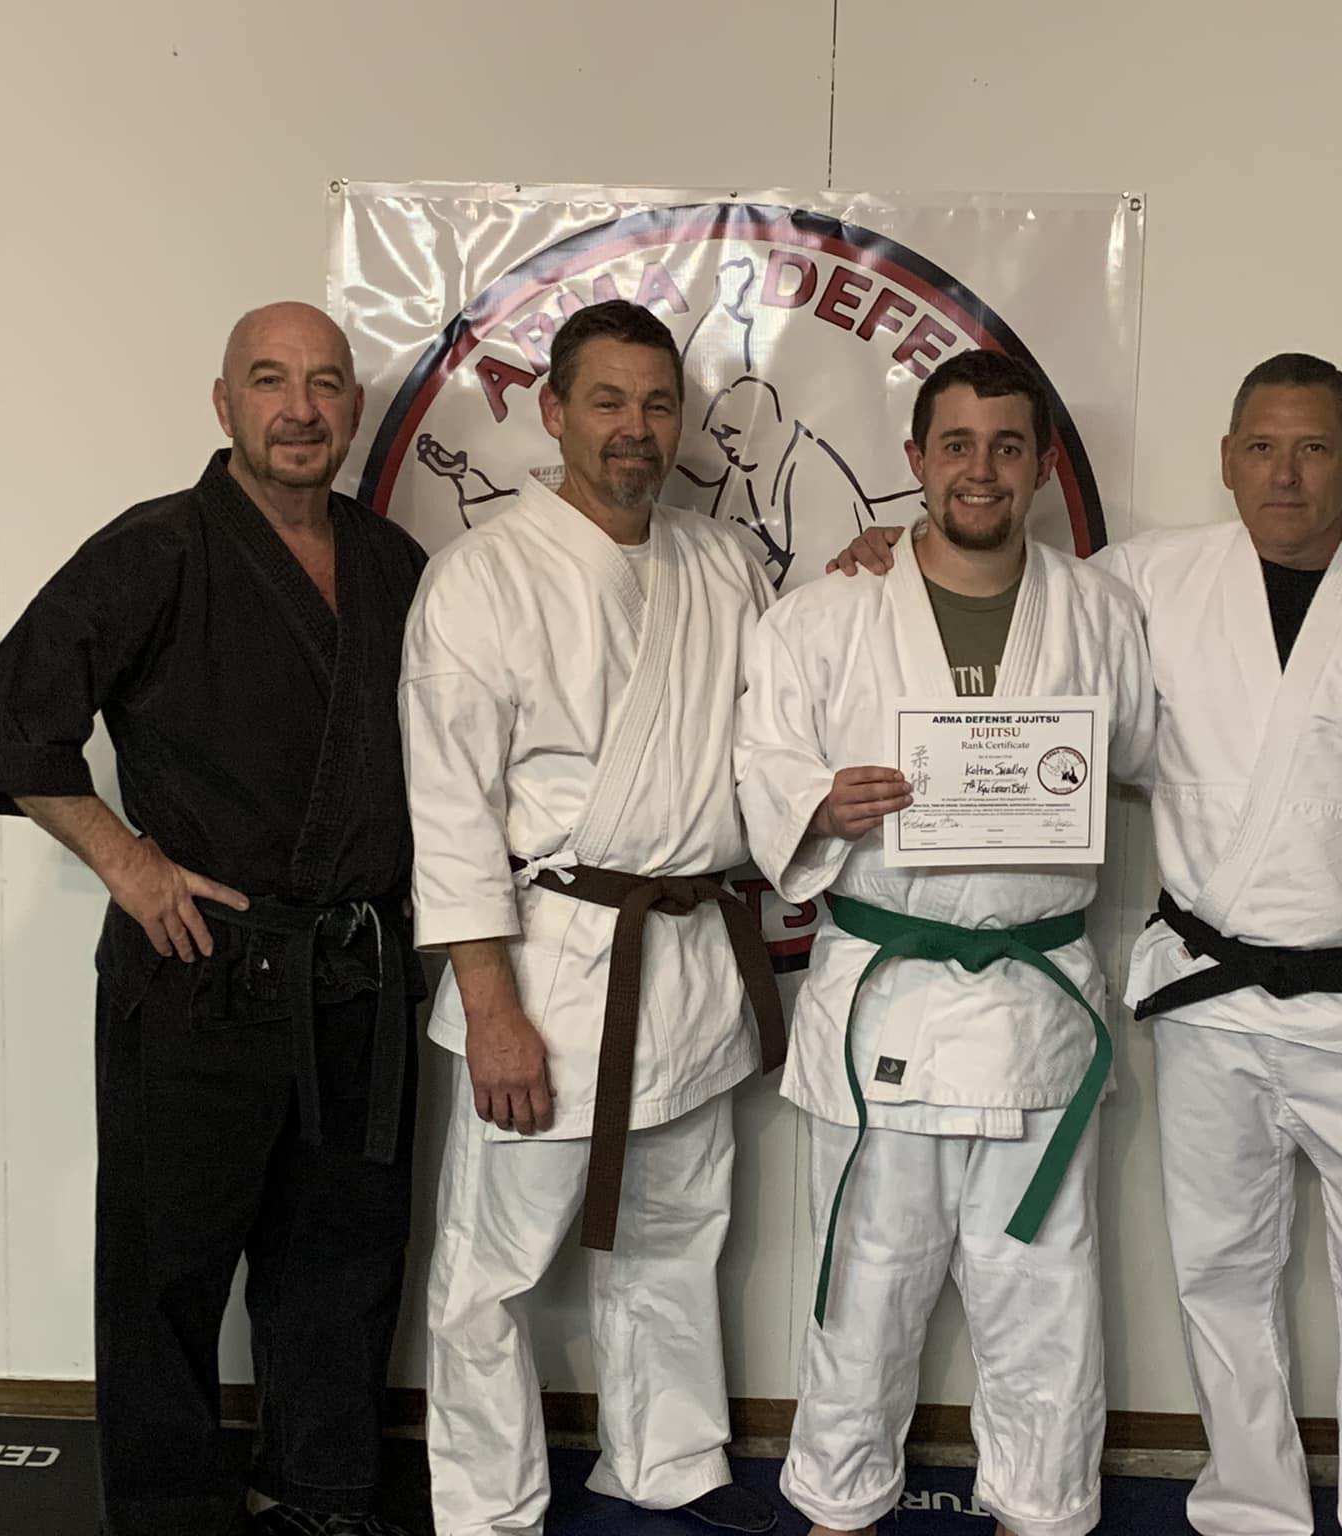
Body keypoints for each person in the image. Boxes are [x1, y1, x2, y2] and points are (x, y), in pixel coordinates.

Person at [833, 353, 1342, 1536]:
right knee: (1219, 1273)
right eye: (1260, 446)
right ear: (1224, 459)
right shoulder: (1149, 580)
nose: (1285, 472)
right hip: (1206, 996)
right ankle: (1249, 1504)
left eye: (1313, 447)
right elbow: (1004, 588)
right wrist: (876, 560)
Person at [0, 302, 428, 1536]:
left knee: (339, 1258)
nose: (300, 409)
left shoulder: (392, 565)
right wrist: (127, 860)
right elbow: (5, 718)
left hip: (355, 977)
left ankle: (322, 1487)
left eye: (326, 384)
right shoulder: (154, 549)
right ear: (222, 405)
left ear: (353, 410)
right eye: (269, 381)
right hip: (198, 971)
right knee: (166, 1268)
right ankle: (167, 1507)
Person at [738, 350, 1155, 1536]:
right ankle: (835, 1502)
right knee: (866, 1277)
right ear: (914, 460)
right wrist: (818, 804)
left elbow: (1145, 759)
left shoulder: (1099, 608)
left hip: (1035, 997)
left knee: (1043, 1284)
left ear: (1037, 466)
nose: (980, 470)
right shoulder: (821, 616)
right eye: (955, 445)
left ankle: (1042, 1506)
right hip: (886, 993)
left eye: (1006, 446)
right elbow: (759, 765)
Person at [401, 299, 785, 1536]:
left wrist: (870, 571)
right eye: (607, 402)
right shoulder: (483, 577)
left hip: (684, 960)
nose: (635, 428)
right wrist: (490, 1009)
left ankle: (666, 1463)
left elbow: (789, 717)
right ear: (553, 411)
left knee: (675, 1242)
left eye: (658, 403)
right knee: (493, 1271)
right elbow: (449, 812)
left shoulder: (722, 562)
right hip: (552, 966)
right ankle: (486, 1503)